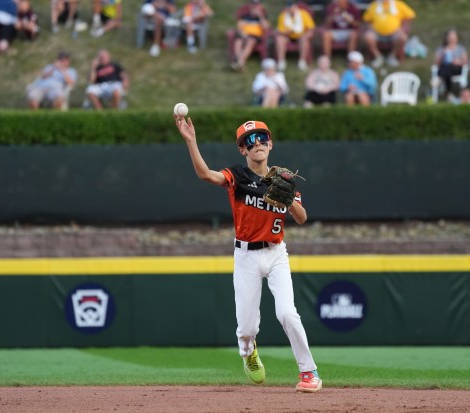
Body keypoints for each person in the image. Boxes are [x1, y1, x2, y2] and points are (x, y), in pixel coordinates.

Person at [174, 115, 322, 394]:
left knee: (287, 313)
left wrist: (290, 200)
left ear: (270, 144)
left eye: (262, 138)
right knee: (246, 328)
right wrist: (191, 141)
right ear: (242, 150)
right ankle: (248, 352)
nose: (257, 143)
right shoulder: (238, 177)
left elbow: (301, 218)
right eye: (249, 141)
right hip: (246, 257)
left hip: (277, 253)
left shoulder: (283, 179)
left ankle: (309, 372)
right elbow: (206, 175)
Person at [362, 0, 416, 68]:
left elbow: (411, 16)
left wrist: (403, 26)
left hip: (395, 31)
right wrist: (369, 27)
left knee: (403, 37)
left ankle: (392, 57)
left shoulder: (398, 4)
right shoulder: (374, 5)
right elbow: (366, 19)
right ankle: (378, 57)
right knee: (368, 37)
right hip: (377, 31)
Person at [274, 1, 316, 71]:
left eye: (293, 7)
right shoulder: (283, 15)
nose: (291, 9)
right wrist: (287, 32)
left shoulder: (304, 14)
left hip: (301, 35)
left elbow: (311, 28)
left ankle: (302, 62)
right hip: (287, 36)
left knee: (304, 39)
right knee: (279, 39)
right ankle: (281, 62)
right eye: (289, 8)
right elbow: (280, 30)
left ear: (296, 7)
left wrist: (307, 34)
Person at [231, 0, 270, 71]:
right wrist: (243, 34)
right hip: (244, 35)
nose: (255, 7)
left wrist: (260, 16)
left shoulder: (263, 16)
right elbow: (240, 27)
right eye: (253, 5)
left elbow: (266, 27)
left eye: (257, 5)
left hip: (255, 36)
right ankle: (240, 63)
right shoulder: (245, 16)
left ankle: (239, 62)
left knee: (250, 41)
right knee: (238, 41)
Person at [433, 28, 468, 101]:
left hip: (456, 69)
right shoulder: (441, 49)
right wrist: (443, 55)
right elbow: (437, 63)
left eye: (453, 38)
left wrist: (458, 61)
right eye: (450, 38)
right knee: (447, 68)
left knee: (449, 67)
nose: (451, 39)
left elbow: (465, 62)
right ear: (447, 38)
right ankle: (449, 94)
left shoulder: (460, 49)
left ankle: (439, 78)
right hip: (445, 68)